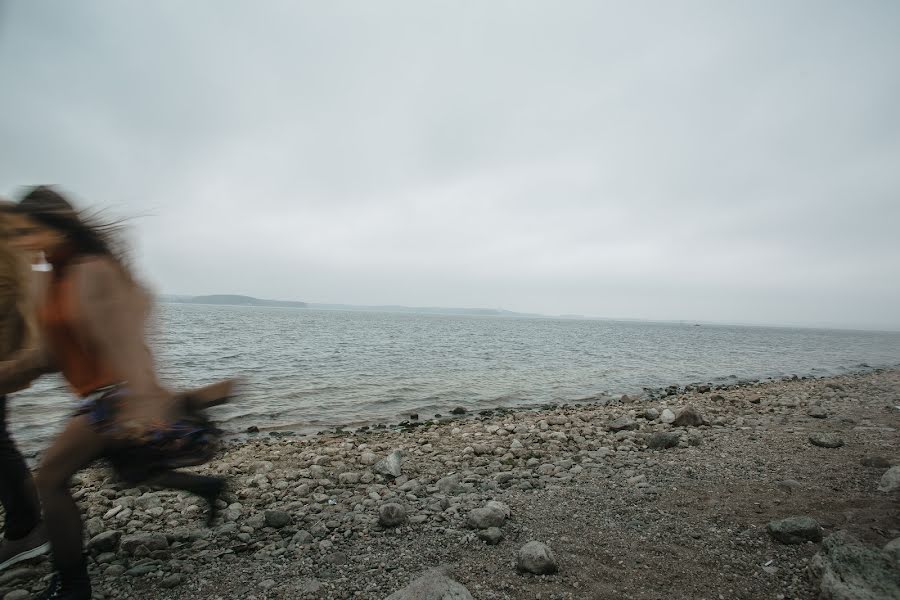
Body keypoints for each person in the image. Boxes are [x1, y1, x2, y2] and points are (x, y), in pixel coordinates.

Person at [0, 187, 229, 600]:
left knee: (49, 479)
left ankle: (72, 586)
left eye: (27, 231)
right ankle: (207, 487)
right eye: (15, 235)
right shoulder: (50, 279)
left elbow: (127, 339)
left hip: (117, 395)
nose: (21, 243)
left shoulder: (93, 269)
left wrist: (144, 401)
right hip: (96, 397)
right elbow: (47, 355)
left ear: (56, 225)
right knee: (131, 473)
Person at [0, 199, 49, 571]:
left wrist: (26, 358)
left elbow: (28, 304)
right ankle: (25, 528)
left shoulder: (11, 242)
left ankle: (26, 529)